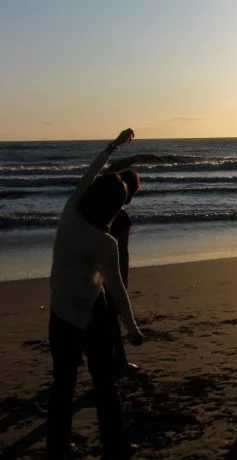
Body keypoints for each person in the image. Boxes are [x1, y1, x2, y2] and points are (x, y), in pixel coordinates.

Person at [47, 128, 144, 459]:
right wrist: (132, 329)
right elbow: (116, 287)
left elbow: (90, 174)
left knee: (63, 383)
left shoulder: (71, 212)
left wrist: (112, 147)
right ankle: (115, 446)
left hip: (60, 313)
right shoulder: (105, 242)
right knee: (104, 385)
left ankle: (58, 446)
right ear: (115, 209)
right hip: (93, 314)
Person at [101, 155, 160, 376]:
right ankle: (120, 361)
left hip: (89, 268)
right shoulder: (122, 218)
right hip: (110, 272)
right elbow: (122, 253)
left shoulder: (99, 212)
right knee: (112, 319)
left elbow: (109, 170)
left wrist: (133, 157)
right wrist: (122, 282)